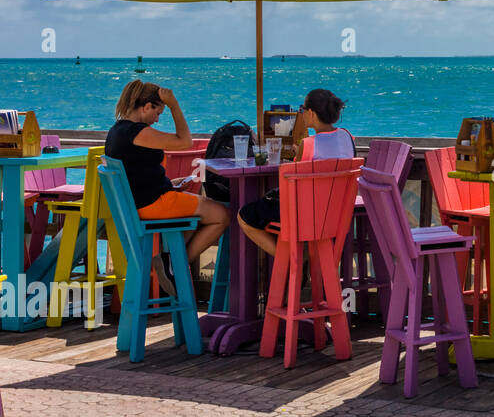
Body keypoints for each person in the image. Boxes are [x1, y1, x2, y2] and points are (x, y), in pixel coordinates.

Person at [105, 81, 230, 296]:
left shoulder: (117, 131)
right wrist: (174, 106)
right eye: (158, 112)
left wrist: (169, 183)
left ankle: (170, 263)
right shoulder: (138, 132)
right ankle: (175, 265)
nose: (157, 119)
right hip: (152, 204)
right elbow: (185, 142)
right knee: (222, 215)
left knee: (197, 216)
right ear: (146, 107)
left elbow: (136, 174)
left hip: (140, 204)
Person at [237, 88, 354, 257]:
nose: (302, 113)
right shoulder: (347, 137)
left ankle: (291, 260)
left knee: (245, 215)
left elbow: (292, 185)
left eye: (302, 109)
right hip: (336, 216)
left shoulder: (308, 144)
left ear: (311, 113)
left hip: (307, 218)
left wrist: (298, 153)